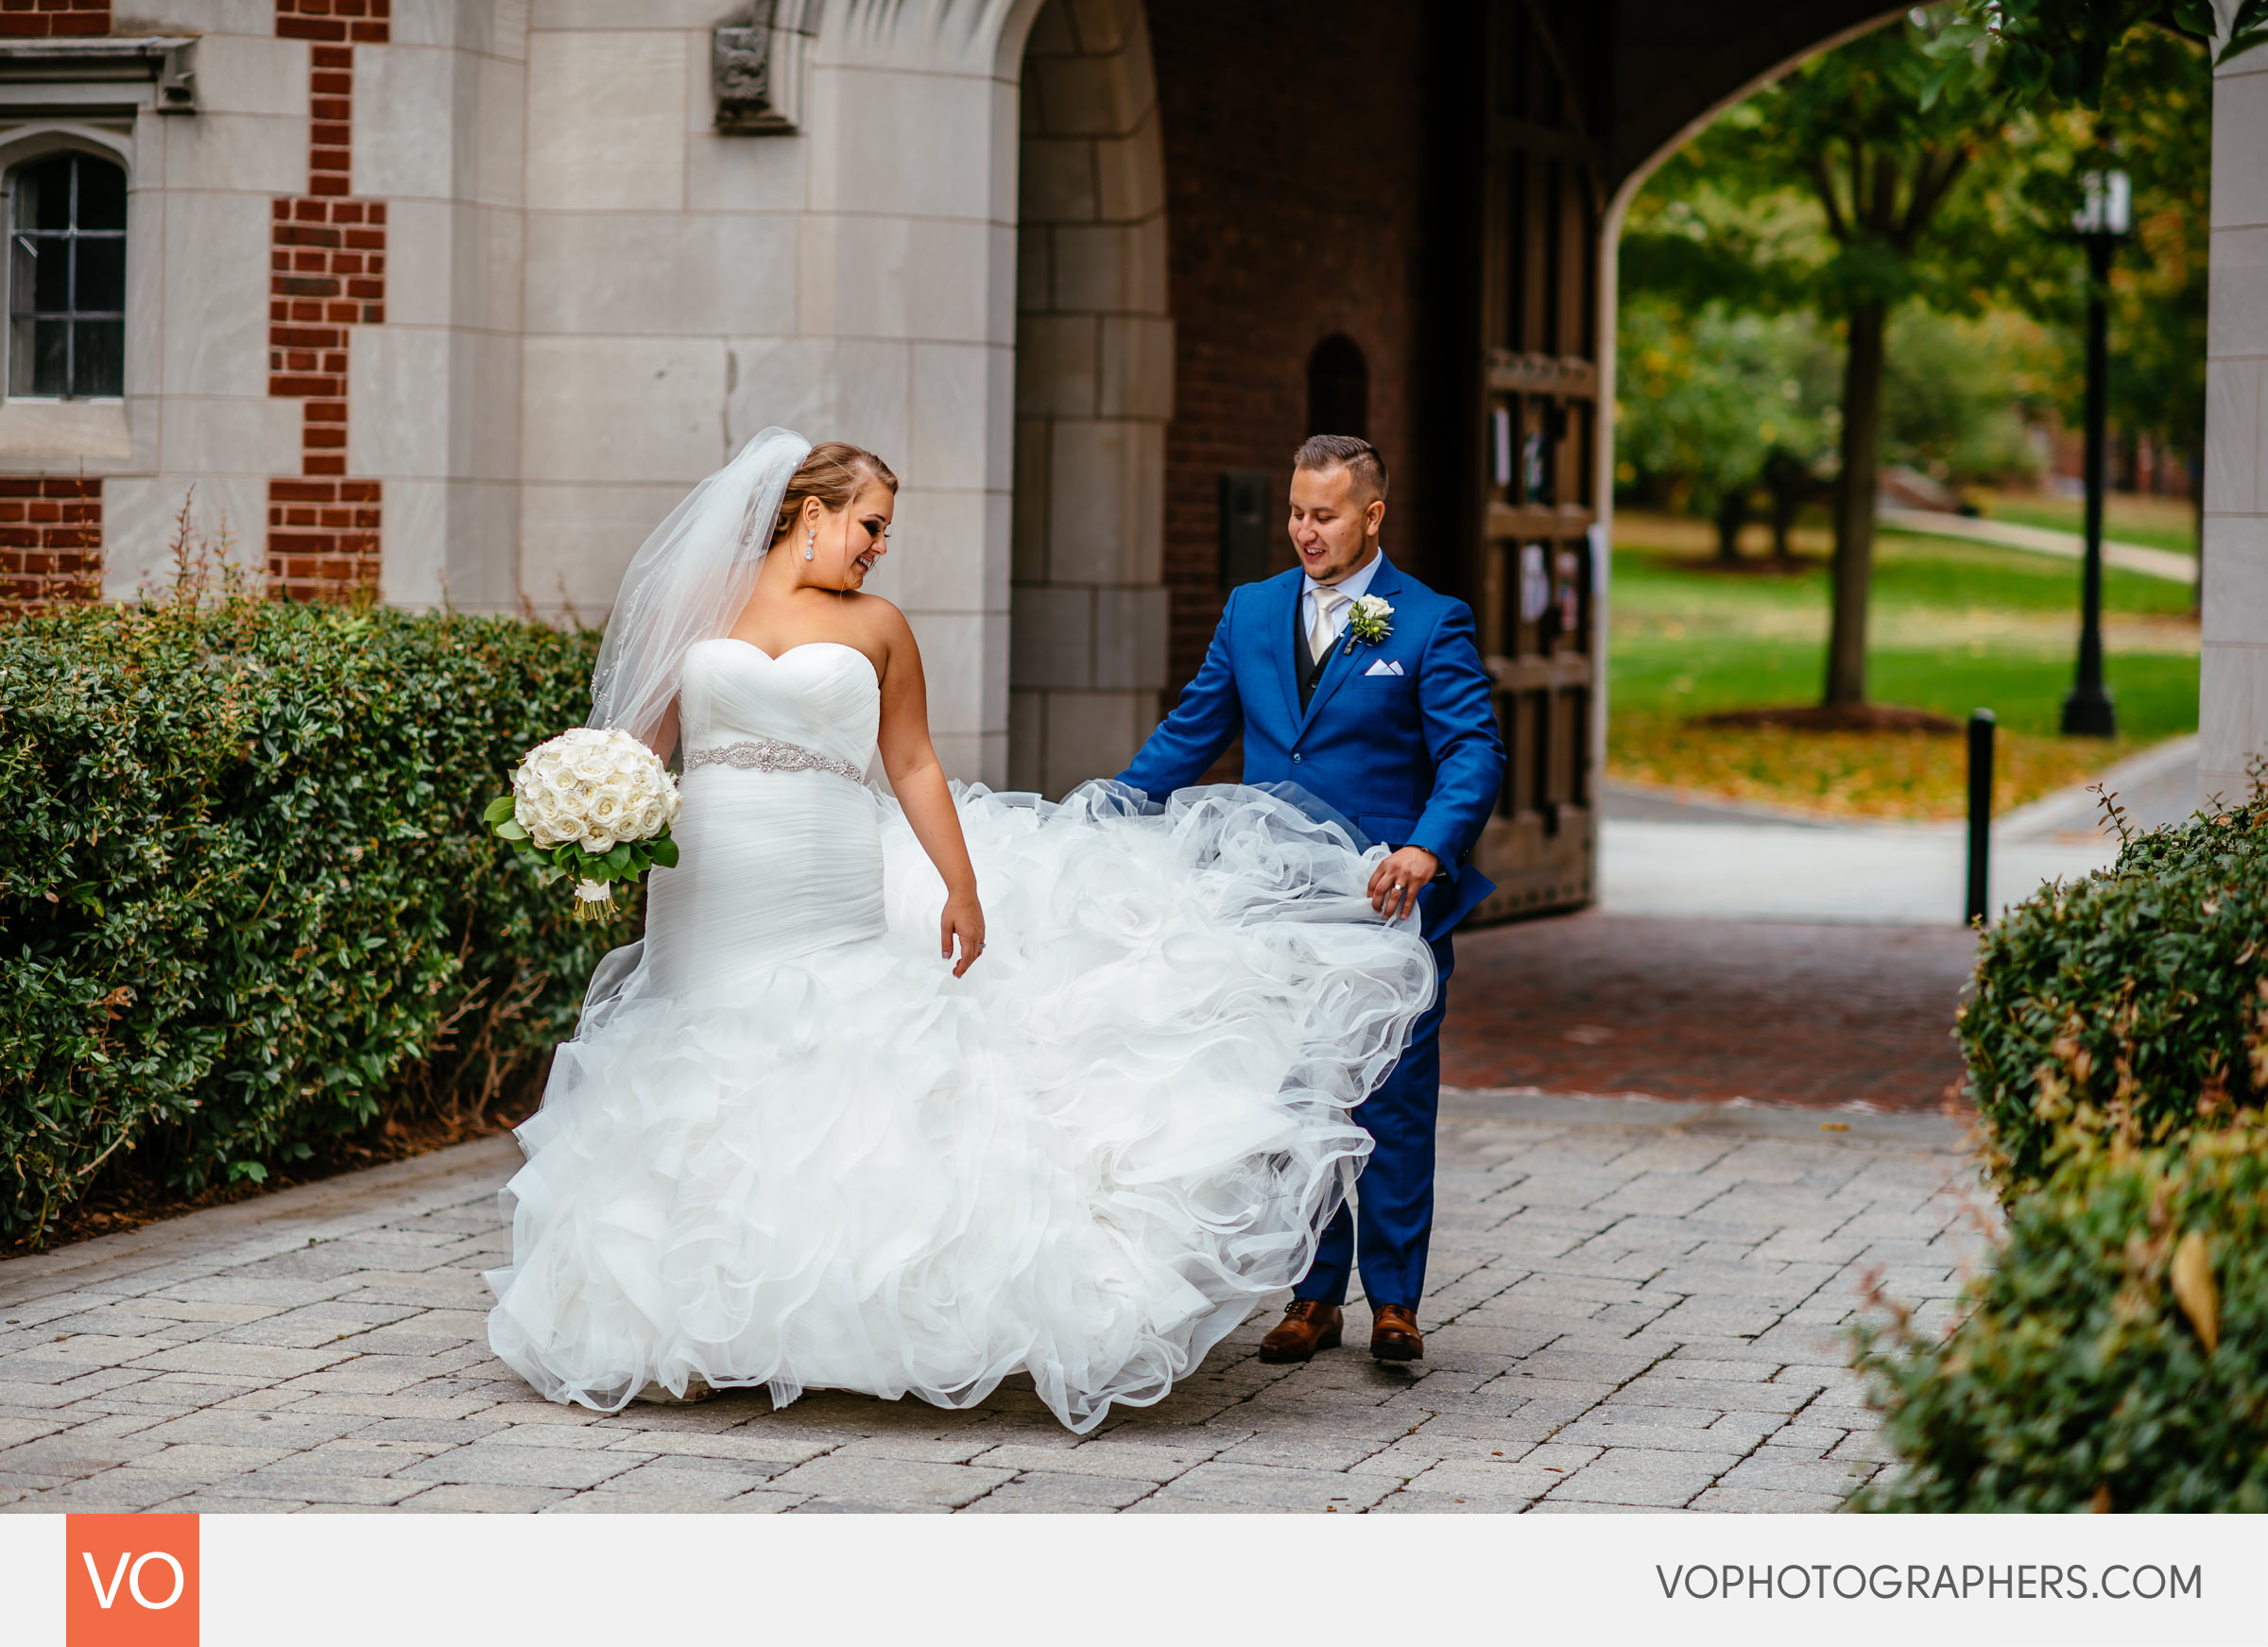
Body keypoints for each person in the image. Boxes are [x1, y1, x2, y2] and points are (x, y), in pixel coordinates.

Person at [483, 429, 1436, 1433]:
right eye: (872, 525)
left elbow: (914, 765)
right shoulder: (702, 601)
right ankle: (674, 1324)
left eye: (884, 531)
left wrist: (962, 885)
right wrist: (596, 811)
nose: (880, 548)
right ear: (813, 513)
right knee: (691, 1077)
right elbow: (643, 741)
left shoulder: (881, 626)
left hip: (823, 874)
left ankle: (791, 1322)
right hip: (710, 876)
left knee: (812, 1078)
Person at [1116, 435, 1506, 1364]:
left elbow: (1473, 753)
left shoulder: (1427, 622)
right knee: (1296, 1093)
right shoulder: (1251, 612)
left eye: (1323, 515)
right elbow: (1191, 731)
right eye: (1295, 512)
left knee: (1394, 1097)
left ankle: (1397, 1302)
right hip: (1273, 899)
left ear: (1371, 516)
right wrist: (1109, 806)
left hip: (1382, 901)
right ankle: (1311, 1294)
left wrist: (1426, 847)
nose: (1302, 531)